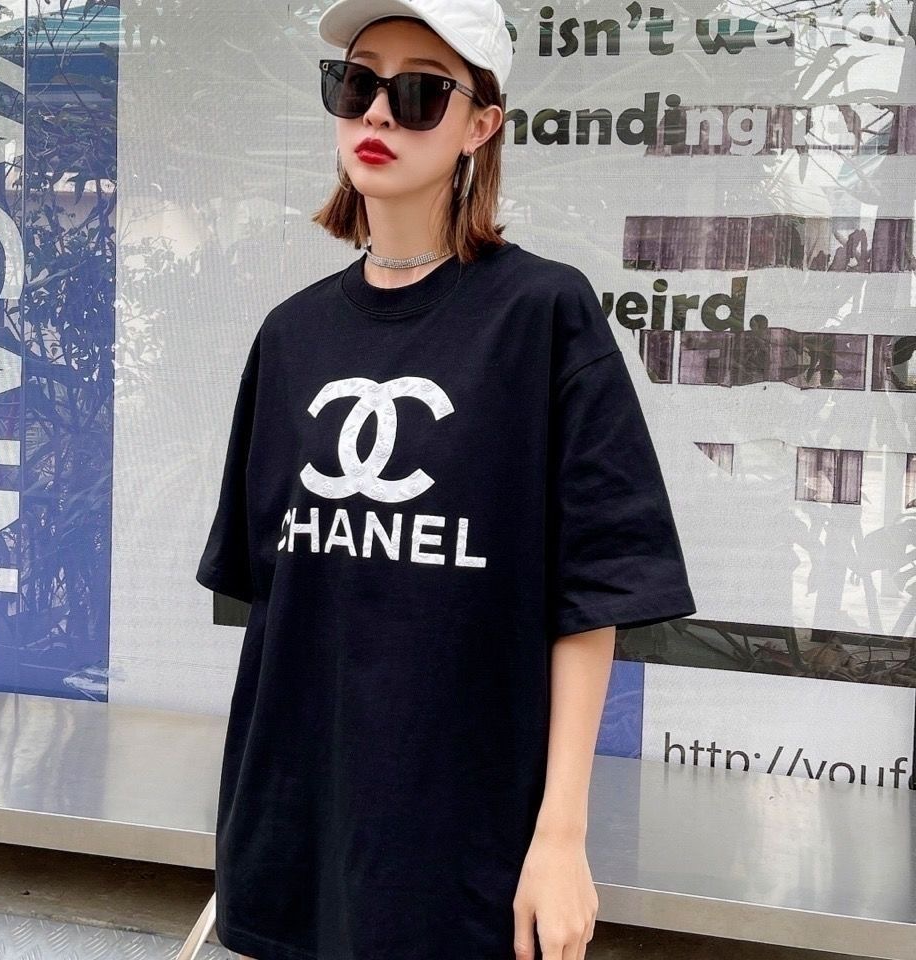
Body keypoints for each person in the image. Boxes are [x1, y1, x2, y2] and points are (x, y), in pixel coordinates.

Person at [195, 1, 698, 958]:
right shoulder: (291, 336)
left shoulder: (542, 315)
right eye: (357, 83)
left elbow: (592, 598)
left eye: (421, 91)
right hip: (293, 836)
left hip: (465, 848)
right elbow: (283, 609)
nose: (379, 112)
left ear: (480, 124)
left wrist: (561, 838)